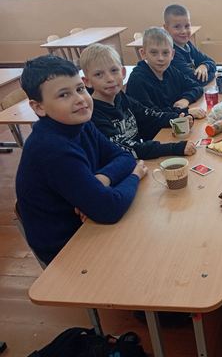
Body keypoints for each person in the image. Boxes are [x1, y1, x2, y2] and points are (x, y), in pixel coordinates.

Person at [15, 55, 148, 265]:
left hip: (91, 224)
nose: (79, 99)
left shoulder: (81, 123)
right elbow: (109, 209)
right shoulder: (52, 149)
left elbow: (124, 156)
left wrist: (102, 179)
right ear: (39, 107)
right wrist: (135, 176)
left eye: (80, 89)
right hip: (68, 249)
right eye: (64, 95)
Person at [79, 43, 197, 160]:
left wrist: (178, 117)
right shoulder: (93, 115)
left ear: (123, 72)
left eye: (114, 70)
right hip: (122, 166)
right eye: (98, 74)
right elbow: (130, 148)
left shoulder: (121, 97)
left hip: (137, 163)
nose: (110, 79)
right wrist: (174, 148)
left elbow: (150, 115)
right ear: (87, 81)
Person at [126, 27, 206, 117]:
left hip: (172, 121)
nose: (160, 58)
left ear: (172, 54)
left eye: (165, 53)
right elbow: (151, 116)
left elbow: (196, 86)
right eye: (154, 53)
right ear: (143, 54)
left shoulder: (170, 70)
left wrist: (186, 99)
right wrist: (185, 112)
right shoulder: (137, 80)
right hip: (156, 125)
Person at [163, 4, 217, 87]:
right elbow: (196, 81)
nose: (183, 31)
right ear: (166, 28)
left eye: (187, 26)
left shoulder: (187, 44)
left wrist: (204, 66)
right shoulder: (170, 53)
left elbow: (211, 61)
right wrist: (214, 74)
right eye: (177, 27)